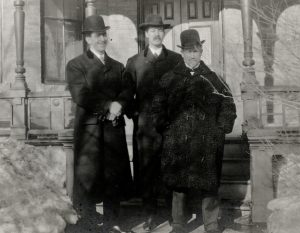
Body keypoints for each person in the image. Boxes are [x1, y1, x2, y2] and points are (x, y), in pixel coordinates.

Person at [152, 29, 237, 233]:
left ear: (201, 51)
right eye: (188, 51)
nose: (192, 55)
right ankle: (179, 224)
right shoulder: (169, 78)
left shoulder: (214, 79)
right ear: (182, 52)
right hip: (177, 140)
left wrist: (220, 128)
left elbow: (228, 105)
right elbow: (157, 107)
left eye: (196, 50)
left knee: (208, 183)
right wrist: (166, 128)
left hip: (207, 140)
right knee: (178, 184)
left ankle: (211, 224)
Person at [66, 15, 134, 233]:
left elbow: (127, 90)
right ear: (87, 39)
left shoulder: (117, 66)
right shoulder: (76, 65)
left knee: (113, 176)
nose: (101, 39)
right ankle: (88, 222)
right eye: (96, 36)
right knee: (89, 177)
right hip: (90, 131)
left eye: (104, 35)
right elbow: (81, 94)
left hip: (113, 128)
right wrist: (108, 106)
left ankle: (112, 221)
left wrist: (120, 104)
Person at [123, 14, 183, 231]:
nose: (157, 34)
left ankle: (172, 215)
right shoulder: (134, 62)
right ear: (146, 34)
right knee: (147, 172)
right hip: (146, 128)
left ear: (163, 32)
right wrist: (136, 114)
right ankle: (149, 215)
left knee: (170, 170)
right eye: (152, 30)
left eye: (160, 29)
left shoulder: (176, 60)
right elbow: (126, 94)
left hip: (171, 126)